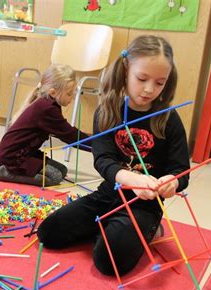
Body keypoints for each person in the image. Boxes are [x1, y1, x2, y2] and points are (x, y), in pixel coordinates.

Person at [37, 35, 190, 276]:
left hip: (144, 205)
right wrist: (132, 179)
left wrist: (172, 181)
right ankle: (111, 229)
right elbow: (103, 160)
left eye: (160, 83)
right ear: (126, 70)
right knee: (48, 234)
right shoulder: (108, 111)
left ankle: (146, 230)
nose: (150, 89)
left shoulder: (168, 118)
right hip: (108, 194)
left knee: (108, 263)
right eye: (142, 79)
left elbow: (181, 169)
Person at [0, 64, 92, 187]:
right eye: (69, 94)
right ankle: (5, 173)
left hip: (24, 152)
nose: (71, 98)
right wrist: (97, 146)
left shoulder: (47, 103)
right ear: (53, 92)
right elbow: (70, 135)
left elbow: (67, 133)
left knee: (62, 170)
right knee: (55, 177)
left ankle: (13, 171)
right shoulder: (46, 109)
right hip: (13, 157)